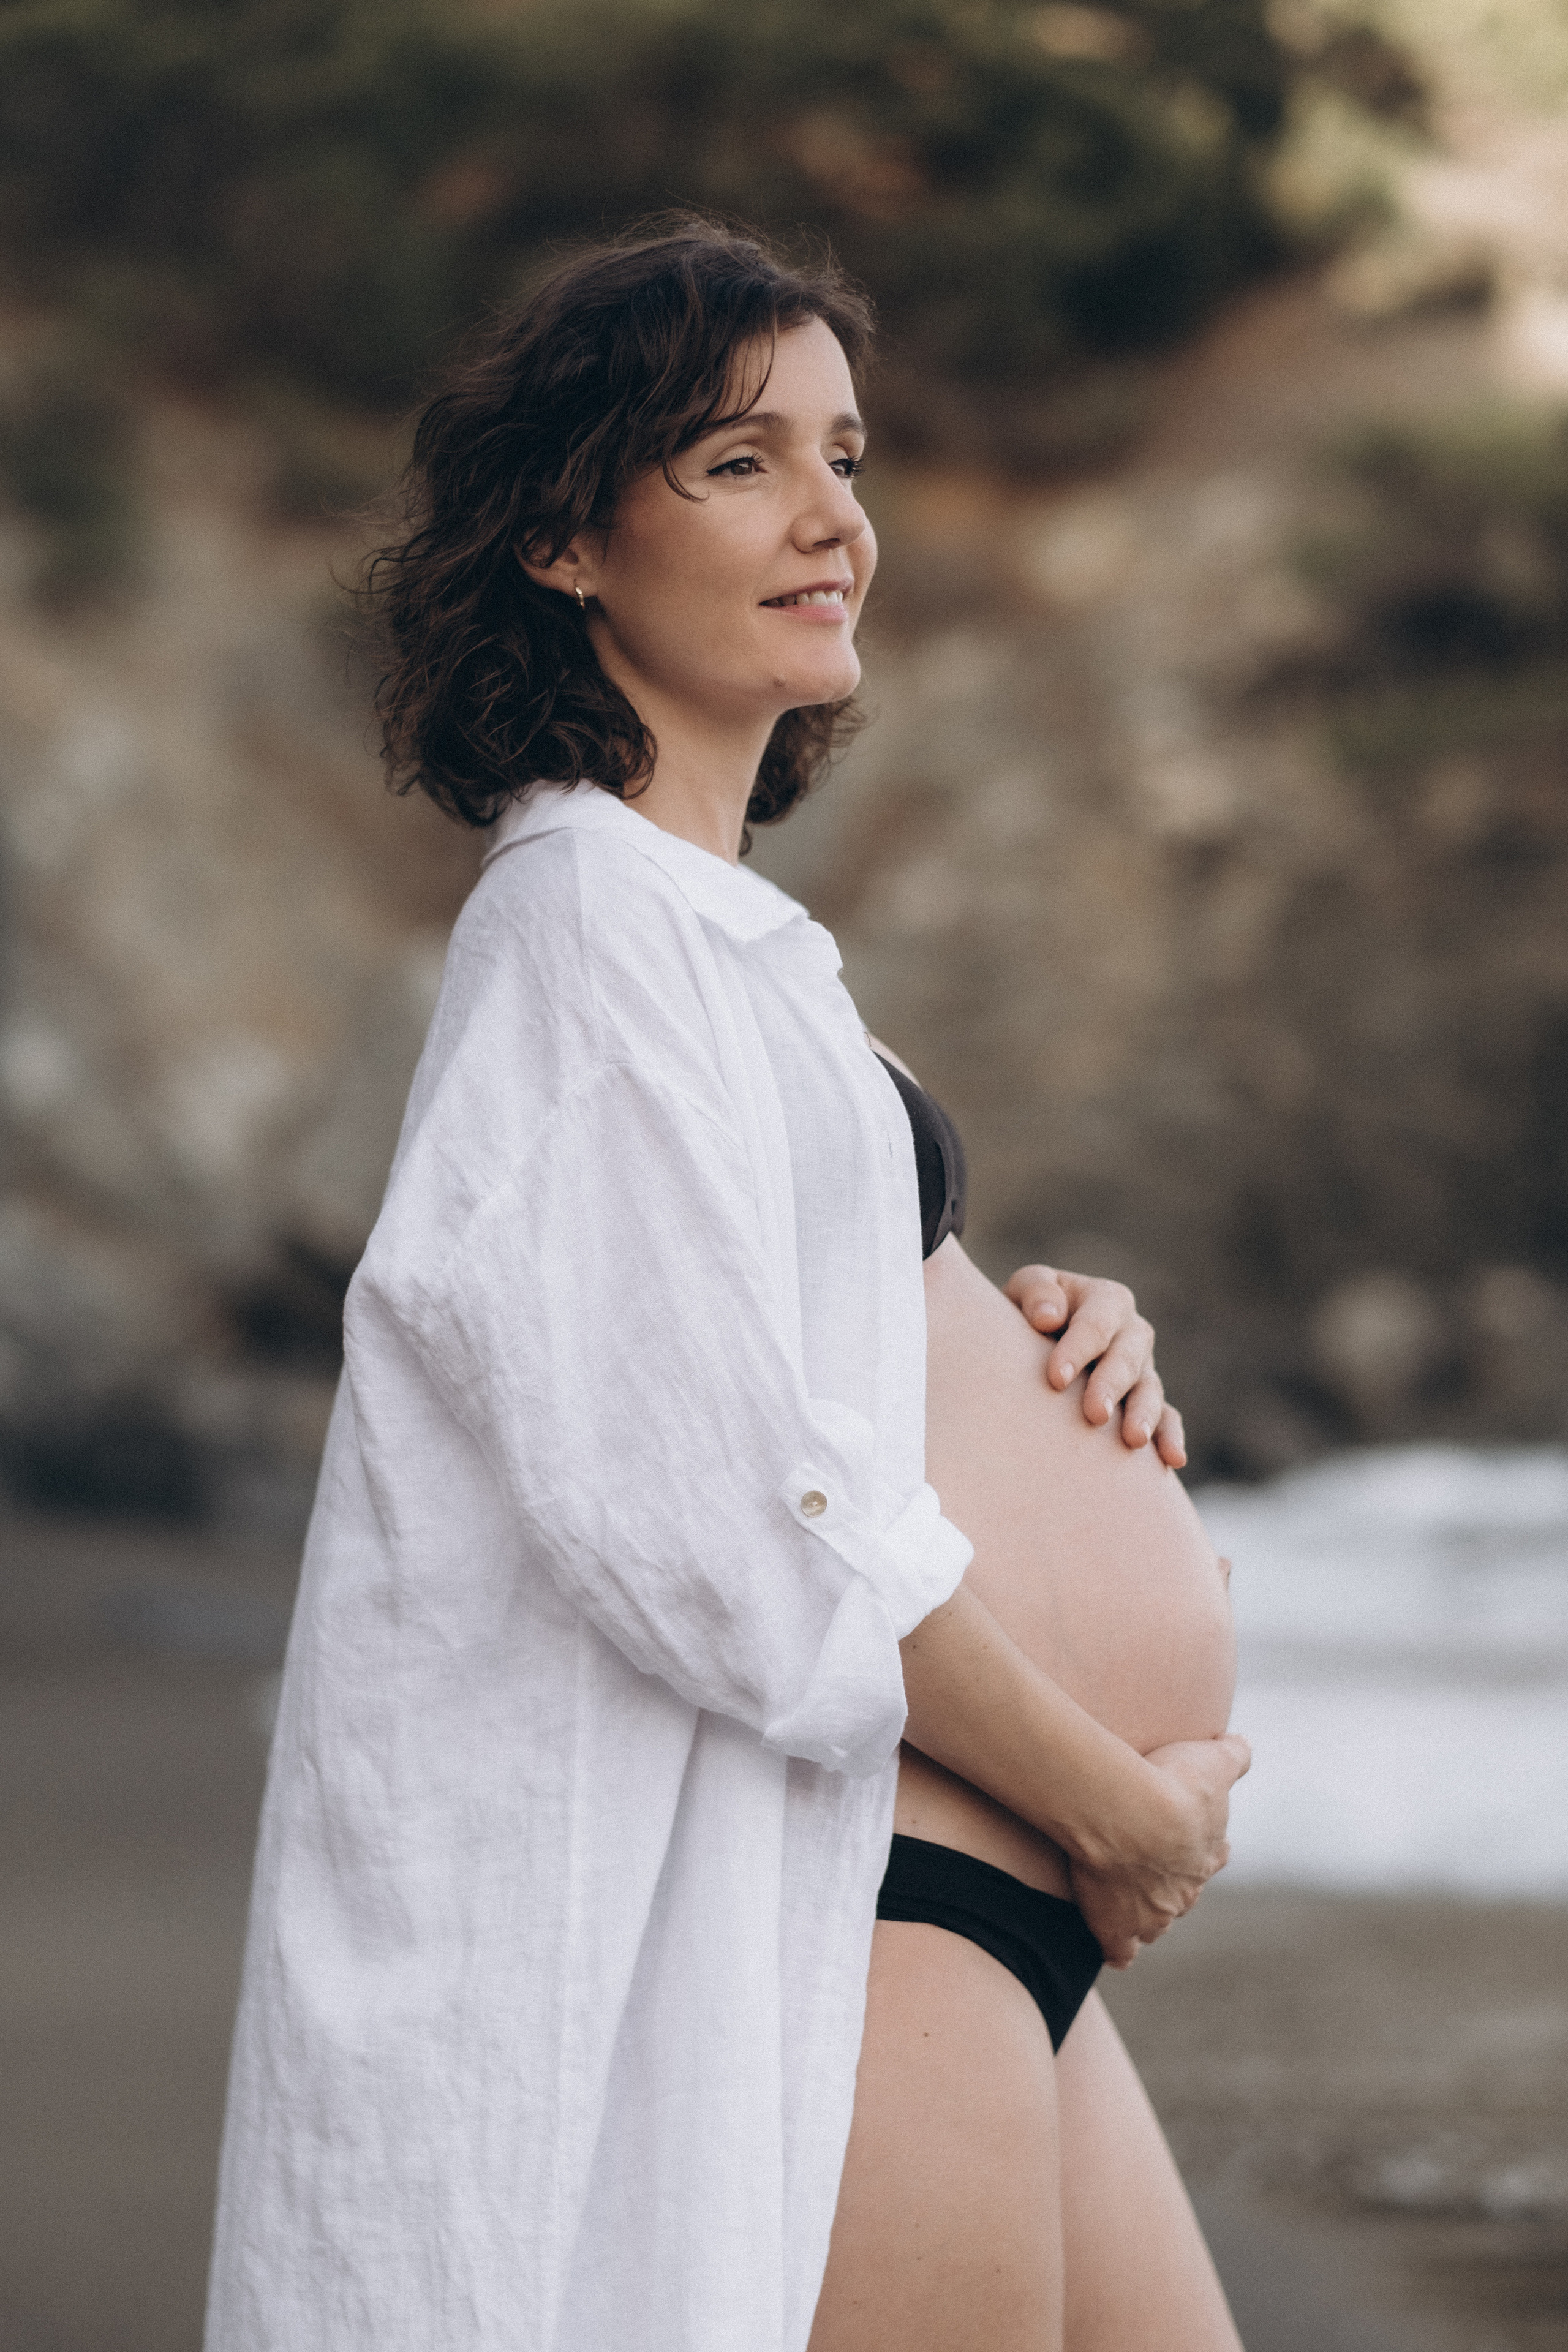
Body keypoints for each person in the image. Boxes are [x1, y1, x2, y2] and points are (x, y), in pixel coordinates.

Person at [203, 220, 1249, 2352]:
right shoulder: (582, 940)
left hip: (943, 1873)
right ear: (569, 540)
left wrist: (1028, 1317)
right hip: (852, 1893)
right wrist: (1116, 1806)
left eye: (846, 458)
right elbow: (719, 1513)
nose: (833, 519)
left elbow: (799, 1370)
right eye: (738, 462)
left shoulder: (711, 945)